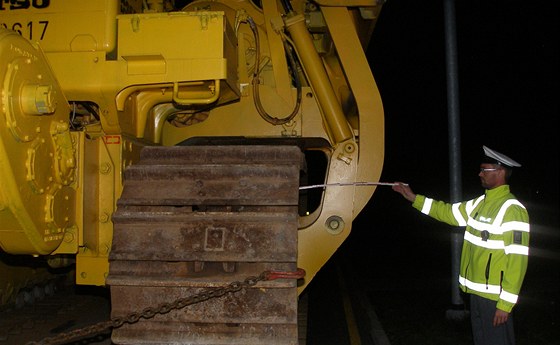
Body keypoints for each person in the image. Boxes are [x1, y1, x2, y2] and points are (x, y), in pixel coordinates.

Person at [392, 145, 530, 345]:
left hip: (494, 299)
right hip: (476, 295)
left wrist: (505, 304)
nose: (479, 173)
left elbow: (517, 261)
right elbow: (448, 213)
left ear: (500, 172)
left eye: (485, 169)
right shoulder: (480, 203)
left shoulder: (512, 209)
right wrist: (414, 198)